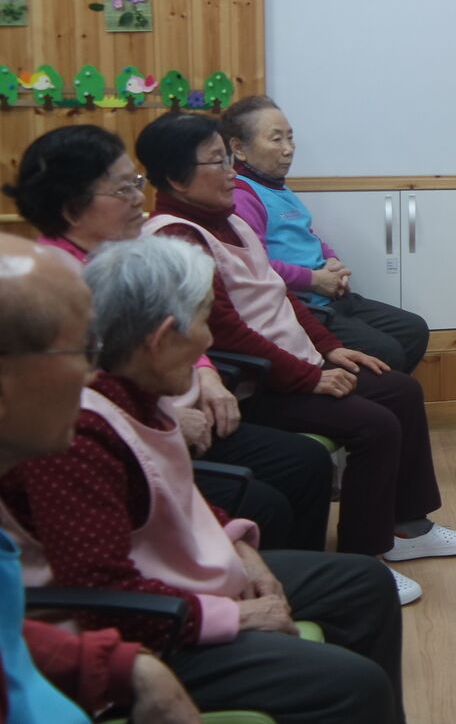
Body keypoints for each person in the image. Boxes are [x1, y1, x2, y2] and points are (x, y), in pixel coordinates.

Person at [0, 236, 406, 723]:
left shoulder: (136, 397)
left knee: (362, 583)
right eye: (201, 323)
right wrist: (232, 616)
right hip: (145, 630)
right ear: (161, 339)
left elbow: (176, 495)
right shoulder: (77, 434)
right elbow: (102, 596)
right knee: (353, 685)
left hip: (180, 583)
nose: (209, 343)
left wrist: (240, 548)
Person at [135, 112, 456, 605]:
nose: (231, 172)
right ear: (175, 178)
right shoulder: (176, 237)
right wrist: (309, 377)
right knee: (375, 426)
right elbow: (225, 332)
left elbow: (280, 294)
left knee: (400, 390)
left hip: (297, 364)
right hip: (257, 382)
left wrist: (330, 346)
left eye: (228, 160)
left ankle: (409, 527)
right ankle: (364, 556)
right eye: (216, 162)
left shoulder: (230, 219)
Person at [3, 125, 332, 553]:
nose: (138, 198)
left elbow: (176, 327)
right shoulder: (56, 287)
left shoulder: (124, 255)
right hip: (143, 433)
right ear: (72, 208)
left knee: (306, 462)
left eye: (136, 183)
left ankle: (299, 577)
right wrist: (171, 418)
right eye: (123, 189)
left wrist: (207, 374)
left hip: (184, 411)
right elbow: (86, 399)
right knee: (267, 503)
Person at [0, 235, 200, 724]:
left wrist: (125, 667)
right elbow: (98, 582)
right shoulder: (76, 441)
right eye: (81, 351)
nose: (91, 376)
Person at [221, 96, 430, 374]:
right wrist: (315, 279)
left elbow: (308, 235)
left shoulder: (278, 188)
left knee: (413, 330)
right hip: (302, 308)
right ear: (239, 148)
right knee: (386, 351)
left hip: (330, 297)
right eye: (276, 139)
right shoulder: (242, 195)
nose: (288, 149)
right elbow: (256, 267)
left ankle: (385, 392)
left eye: (290, 138)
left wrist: (333, 262)